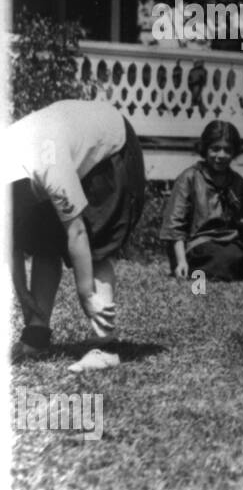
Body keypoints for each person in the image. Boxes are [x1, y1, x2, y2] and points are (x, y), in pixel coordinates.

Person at [5, 99, 146, 365]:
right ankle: (37, 334)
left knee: (96, 245)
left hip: (110, 146)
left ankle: (105, 346)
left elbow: (77, 232)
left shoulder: (47, 163)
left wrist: (86, 295)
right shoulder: (10, 168)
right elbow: (9, 236)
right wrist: (21, 289)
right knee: (41, 240)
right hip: (64, 139)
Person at [159, 121, 243, 282]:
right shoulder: (189, 178)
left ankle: (224, 271)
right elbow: (175, 226)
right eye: (215, 149)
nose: (221, 155)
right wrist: (181, 262)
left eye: (227, 150)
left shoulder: (237, 181)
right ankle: (198, 275)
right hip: (199, 245)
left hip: (230, 243)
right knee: (224, 259)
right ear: (205, 149)